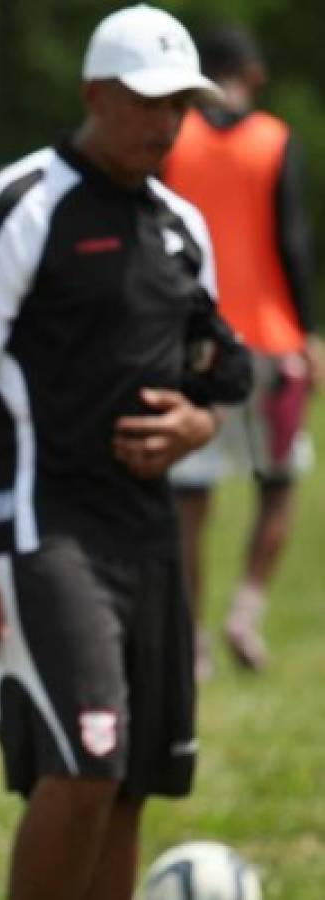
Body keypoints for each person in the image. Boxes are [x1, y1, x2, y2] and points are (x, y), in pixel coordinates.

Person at [0, 6, 252, 899]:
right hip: (40, 531)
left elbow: (214, 375)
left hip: (148, 540)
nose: (164, 123)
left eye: (179, 104)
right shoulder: (22, 206)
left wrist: (199, 426)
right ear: (93, 94)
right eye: (145, 102)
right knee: (85, 764)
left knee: (132, 784)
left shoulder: (181, 227)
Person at [161, 25, 323, 678]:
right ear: (253, 73)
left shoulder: (174, 138)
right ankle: (246, 609)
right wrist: (310, 332)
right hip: (270, 341)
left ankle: (193, 639)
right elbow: (293, 242)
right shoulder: (275, 140)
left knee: (189, 501)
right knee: (279, 487)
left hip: (193, 343)